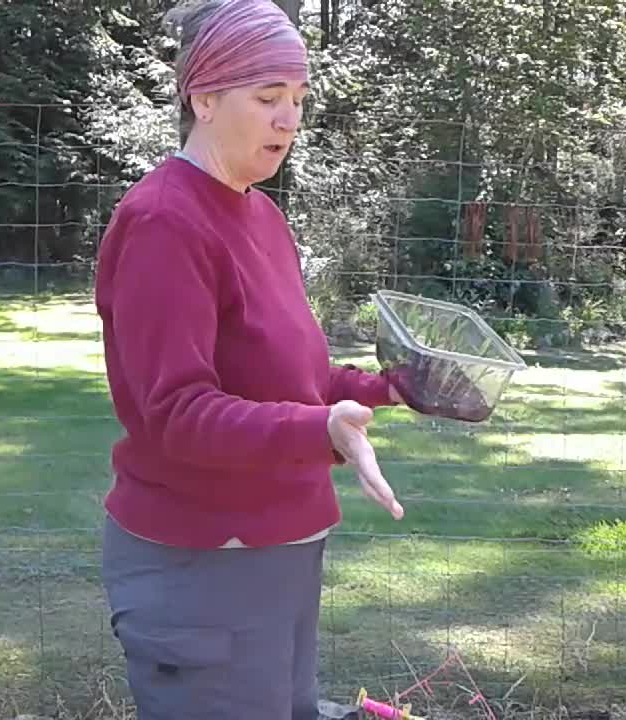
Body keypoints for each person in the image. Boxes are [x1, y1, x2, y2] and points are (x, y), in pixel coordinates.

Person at [92, 0, 409, 717]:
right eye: (267, 98)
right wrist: (318, 430)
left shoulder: (259, 214)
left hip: (281, 550)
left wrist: (396, 388)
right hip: (203, 566)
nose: (289, 119)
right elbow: (174, 413)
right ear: (203, 97)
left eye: (297, 98)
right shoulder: (163, 221)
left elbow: (298, 380)